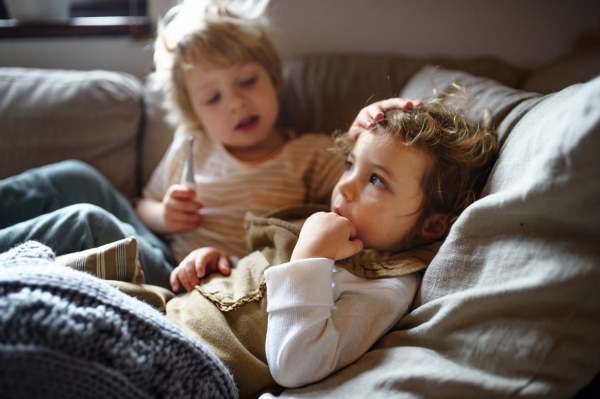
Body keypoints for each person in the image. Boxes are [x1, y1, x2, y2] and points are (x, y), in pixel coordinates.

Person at [155, 93, 499, 398]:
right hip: (168, 311)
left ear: (433, 224)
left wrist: (311, 255)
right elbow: (260, 278)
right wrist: (220, 263)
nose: (344, 187)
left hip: (183, 365)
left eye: (376, 180)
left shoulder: (384, 285)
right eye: (351, 165)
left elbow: (296, 366)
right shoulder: (337, 227)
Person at [0, 0, 348, 290]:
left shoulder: (311, 154)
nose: (235, 102)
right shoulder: (194, 143)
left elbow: (362, 185)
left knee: (86, 222)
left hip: (195, 281)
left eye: (247, 81)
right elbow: (144, 205)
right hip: (160, 251)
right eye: (212, 98)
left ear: (273, 78)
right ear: (195, 113)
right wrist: (165, 215)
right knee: (77, 177)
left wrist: (370, 123)